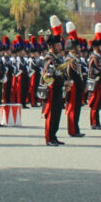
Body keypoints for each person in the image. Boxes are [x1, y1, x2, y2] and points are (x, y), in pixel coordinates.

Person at [41, 15, 67, 146]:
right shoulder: (48, 57)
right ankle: (49, 138)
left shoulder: (59, 58)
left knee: (57, 114)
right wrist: (56, 73)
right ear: (52, 46)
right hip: (51, 90)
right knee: (51, 114)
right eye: (57, 44)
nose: (60, 46)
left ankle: (54, 135)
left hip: (59, 88)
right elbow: (48, 74)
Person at [87, 23, 101, 130]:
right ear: (96, 47)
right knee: (95, 103)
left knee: (99, 103)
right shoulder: (94, 57)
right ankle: (94, 123)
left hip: (100, 81)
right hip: (96, 82)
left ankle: (97, 122)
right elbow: (92, 70)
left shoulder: (100, 57)